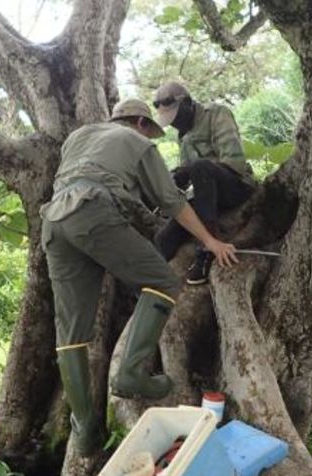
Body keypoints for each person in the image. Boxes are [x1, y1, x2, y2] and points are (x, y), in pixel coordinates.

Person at [41, 98, 238, 455]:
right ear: (141, 123)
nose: (154, 136)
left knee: (71, 333)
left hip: (55, 223)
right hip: (94, 213)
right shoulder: (138, 142)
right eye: (153, 129)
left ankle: (86, 430)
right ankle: (131, 374)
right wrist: (211, 240)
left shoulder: (79, 136)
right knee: (162, 281)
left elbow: (98, 185)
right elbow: (173, 202)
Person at [151, 82, 257, 285]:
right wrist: (178, 179)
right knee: (165, 238)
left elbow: (234, 163)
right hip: (205, 196)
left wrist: (191, 169)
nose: (174, 125)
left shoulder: (216, 114)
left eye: (177, 118)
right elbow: (189, 176)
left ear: (188, 103)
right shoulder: (182, 135)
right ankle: (151, 284)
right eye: (170, 122)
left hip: (235, 187)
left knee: (200, 167)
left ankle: (209, 249)